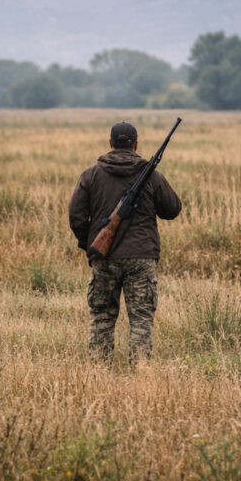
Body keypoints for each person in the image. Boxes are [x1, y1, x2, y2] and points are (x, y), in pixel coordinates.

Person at [68, 121, 182, 367]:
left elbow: (76, 217)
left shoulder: (90, 175)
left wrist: (90, 245)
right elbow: (173, 209)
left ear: (110, 143)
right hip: (141, 258)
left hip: (104, 260)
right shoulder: (151, 175)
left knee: (102, 318)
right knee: (141, 319)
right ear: (136, 144)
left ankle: (98, 373)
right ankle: (140, 374)